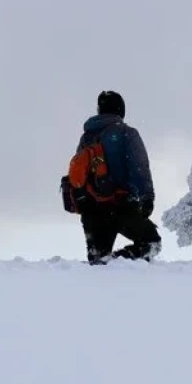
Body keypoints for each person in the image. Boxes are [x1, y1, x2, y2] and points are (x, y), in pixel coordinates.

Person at [62, 90, 162, 265]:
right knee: (152, 243)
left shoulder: (86, 137)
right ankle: (117, 265)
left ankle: (108, 268)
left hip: (91, 209)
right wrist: (147, 197)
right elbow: (139, 166)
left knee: (98, 260)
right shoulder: (126, 133)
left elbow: (79, 173)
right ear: (120, 110)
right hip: (120, 205)